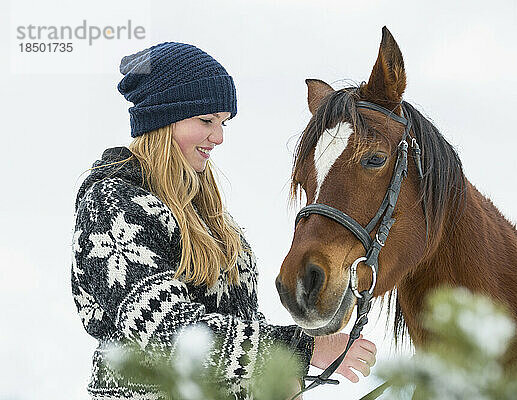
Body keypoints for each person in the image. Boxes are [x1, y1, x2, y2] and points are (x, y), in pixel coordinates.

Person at [71, 42, 377, 400]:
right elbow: (168, 334)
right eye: (206, 120)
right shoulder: (112, 205)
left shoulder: (201, 209)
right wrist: (298, 351)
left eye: (222, 122)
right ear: (162, 119)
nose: (218, 137)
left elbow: (232, 322)